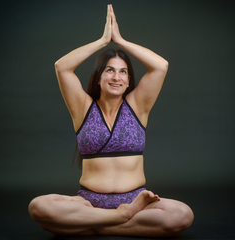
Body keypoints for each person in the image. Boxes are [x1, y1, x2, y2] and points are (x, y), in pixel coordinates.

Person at [28, 4, 194, 238]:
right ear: (98, 77)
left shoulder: (138, 106)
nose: (116, 77)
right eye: (109, 70)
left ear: (128, 81)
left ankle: (89, 225)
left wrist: (121, 41)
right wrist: (104, 41)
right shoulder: (82, 107)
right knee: (39, 207)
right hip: (89, 202)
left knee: (182, 214)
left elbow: (160, 65)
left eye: (123, 72)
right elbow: (62, 67)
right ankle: (120, 218)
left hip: (135, 199)